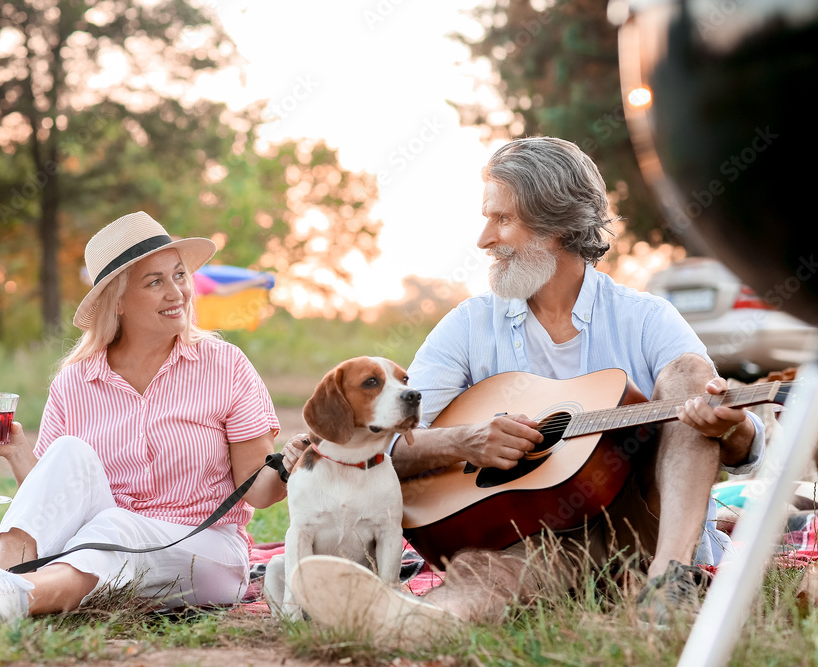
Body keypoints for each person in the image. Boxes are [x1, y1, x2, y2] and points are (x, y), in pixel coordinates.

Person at [291, 137, 767, 641]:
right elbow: (391, 444)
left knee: (691, 375)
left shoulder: (645, 317)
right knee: (485, 575)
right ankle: (405, 622)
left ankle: (669, 585)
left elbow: (740, 444)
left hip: (645, 530)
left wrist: (730, 429)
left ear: (556, 223)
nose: (483, 240)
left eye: (502, 219)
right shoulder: (470, 325)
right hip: (536, 533)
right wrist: (465, 441)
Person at [0, 211, 298, 631]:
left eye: (179, 275)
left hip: (206, 551)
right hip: (101, 546)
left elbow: (258, 490)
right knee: (69, 453)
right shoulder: (75, 382)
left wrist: (289, 465)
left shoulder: (224, 365)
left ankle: (7, 597)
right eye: (155, 282)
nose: (177, 292)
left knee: (115, 527)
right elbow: (53, 507)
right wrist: (16, 453)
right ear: (117, 301)